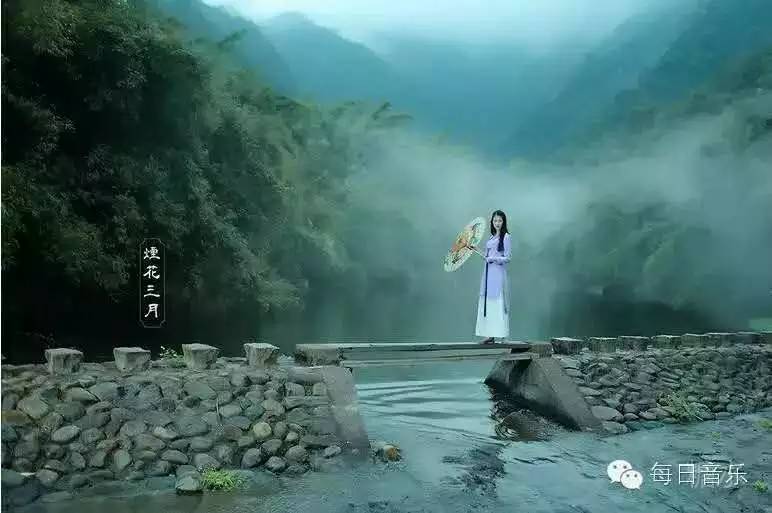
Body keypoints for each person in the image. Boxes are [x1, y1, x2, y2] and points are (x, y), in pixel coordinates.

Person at [470, 210, 511, 344]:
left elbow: (507, 258)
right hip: (488, 274)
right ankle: (490, 335)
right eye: (495, 220)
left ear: (503, 222)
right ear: (492, 222)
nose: (497, 223)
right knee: (488, 303)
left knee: (499, 302)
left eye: (500, 220)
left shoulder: (506, 237)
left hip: (498, 274)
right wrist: (476, 249)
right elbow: (487, 257)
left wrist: (493, 258)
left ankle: (503, 335)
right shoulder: (491, 238)